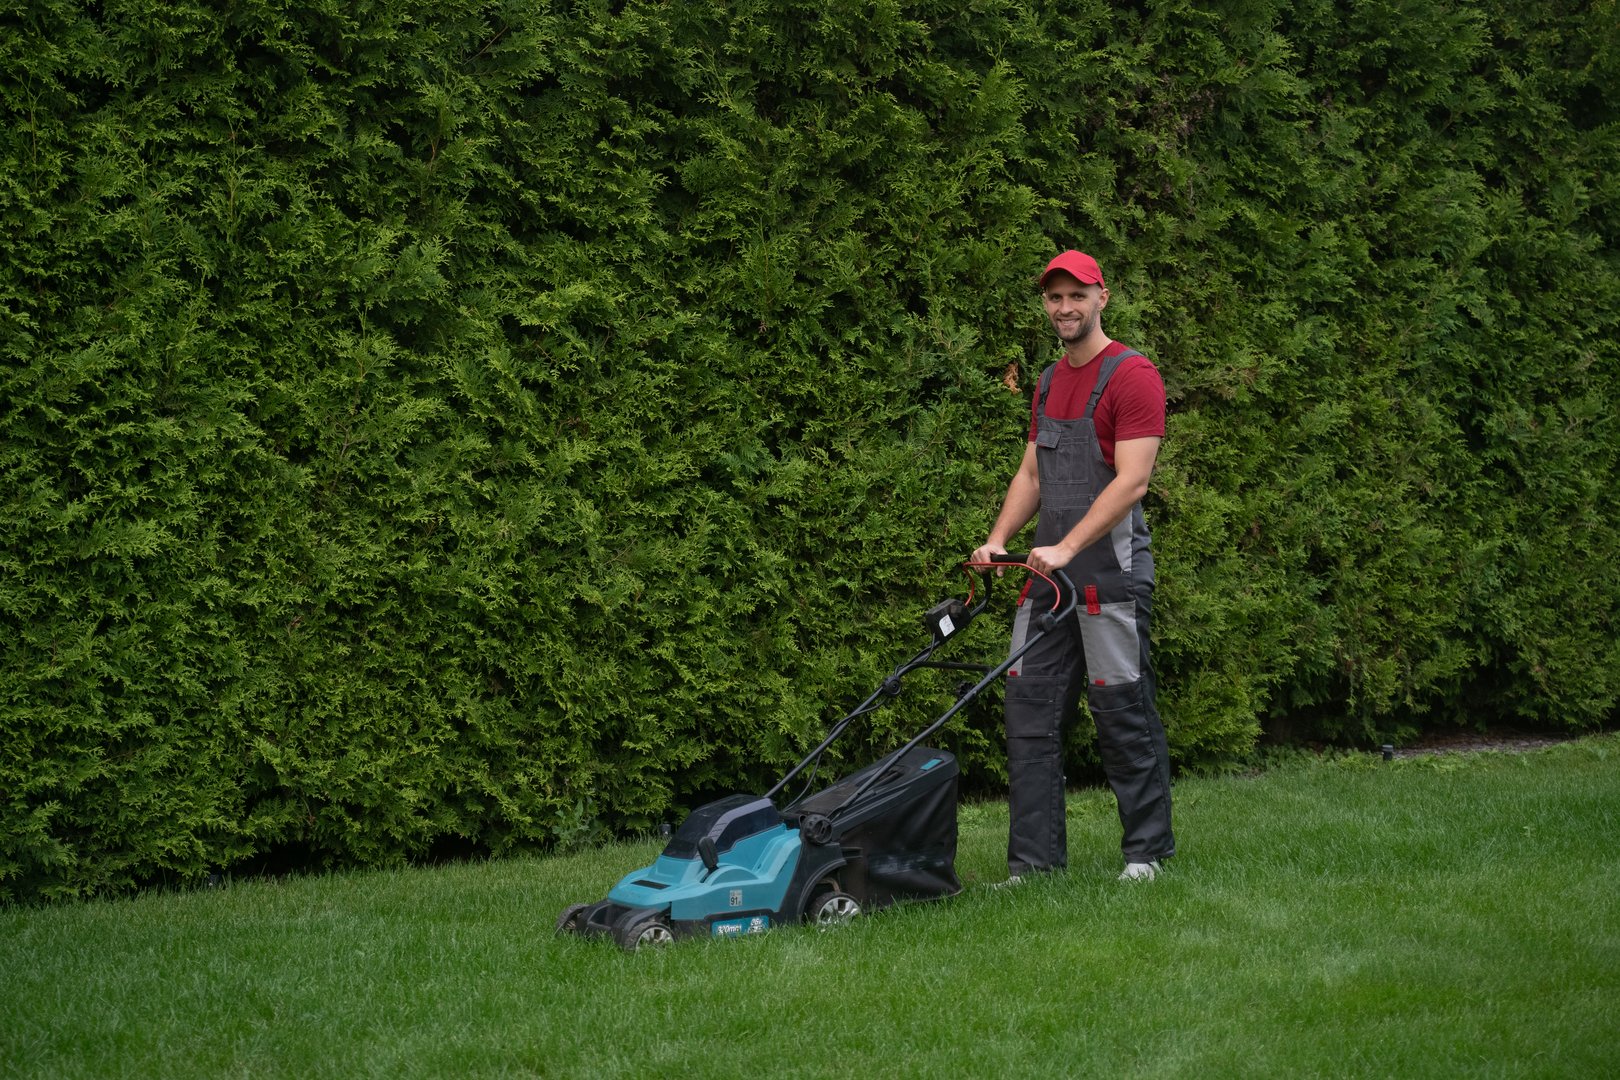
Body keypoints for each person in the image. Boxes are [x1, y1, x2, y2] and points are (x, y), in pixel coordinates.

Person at [971, 249, 1175, 884]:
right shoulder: (1049, 380)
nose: (1065, 307)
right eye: (1054, 298)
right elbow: (1033, 471)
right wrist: (1001, 537)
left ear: (1101, 298)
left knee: (1121, 712)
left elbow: (1133, 481)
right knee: (1028, 710)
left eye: (1076, 295)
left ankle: (1146, 855)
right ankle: (1032, 865)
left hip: (1108, 579)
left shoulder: (1133, 376)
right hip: (1044, 582)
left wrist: (1067, 546)